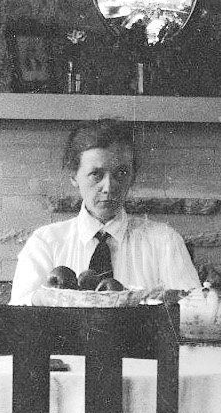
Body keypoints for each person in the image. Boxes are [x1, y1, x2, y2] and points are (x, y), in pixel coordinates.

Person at [10, 117, 201, 302]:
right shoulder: (45, 243)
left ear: (133, 177)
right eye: (96, 174)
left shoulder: (164, 241)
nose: (109, 187)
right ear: (74, 177)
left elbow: (194, 309)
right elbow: (19, 314)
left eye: (121, 173)